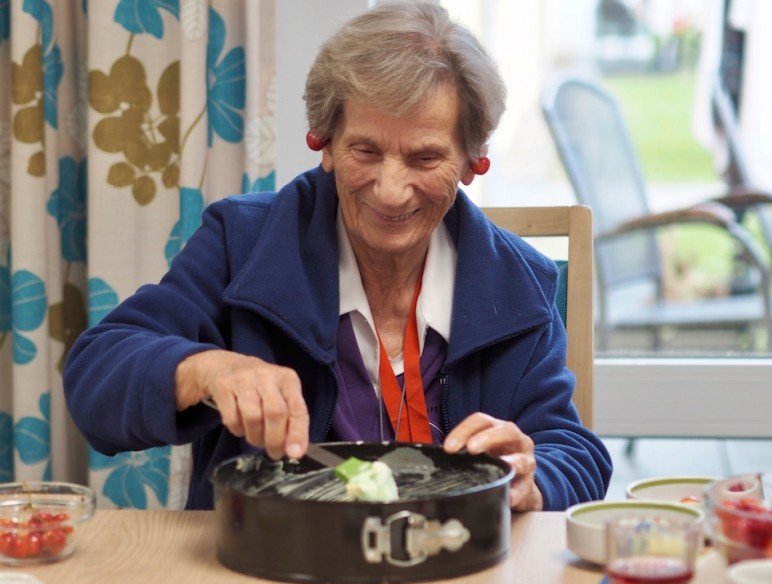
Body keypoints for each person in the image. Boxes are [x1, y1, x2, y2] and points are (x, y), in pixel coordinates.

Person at [64, 2, 612, 511]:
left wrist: (530, 476)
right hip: (274, 565)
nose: (392, 190)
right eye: (365, 151)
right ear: (324, 142)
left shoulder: (518, 281)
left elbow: (575, 452)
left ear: (472, 163)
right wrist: (205, 369)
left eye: (425, 158)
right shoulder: (244, 244)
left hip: (457, 568)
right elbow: (95, 378)